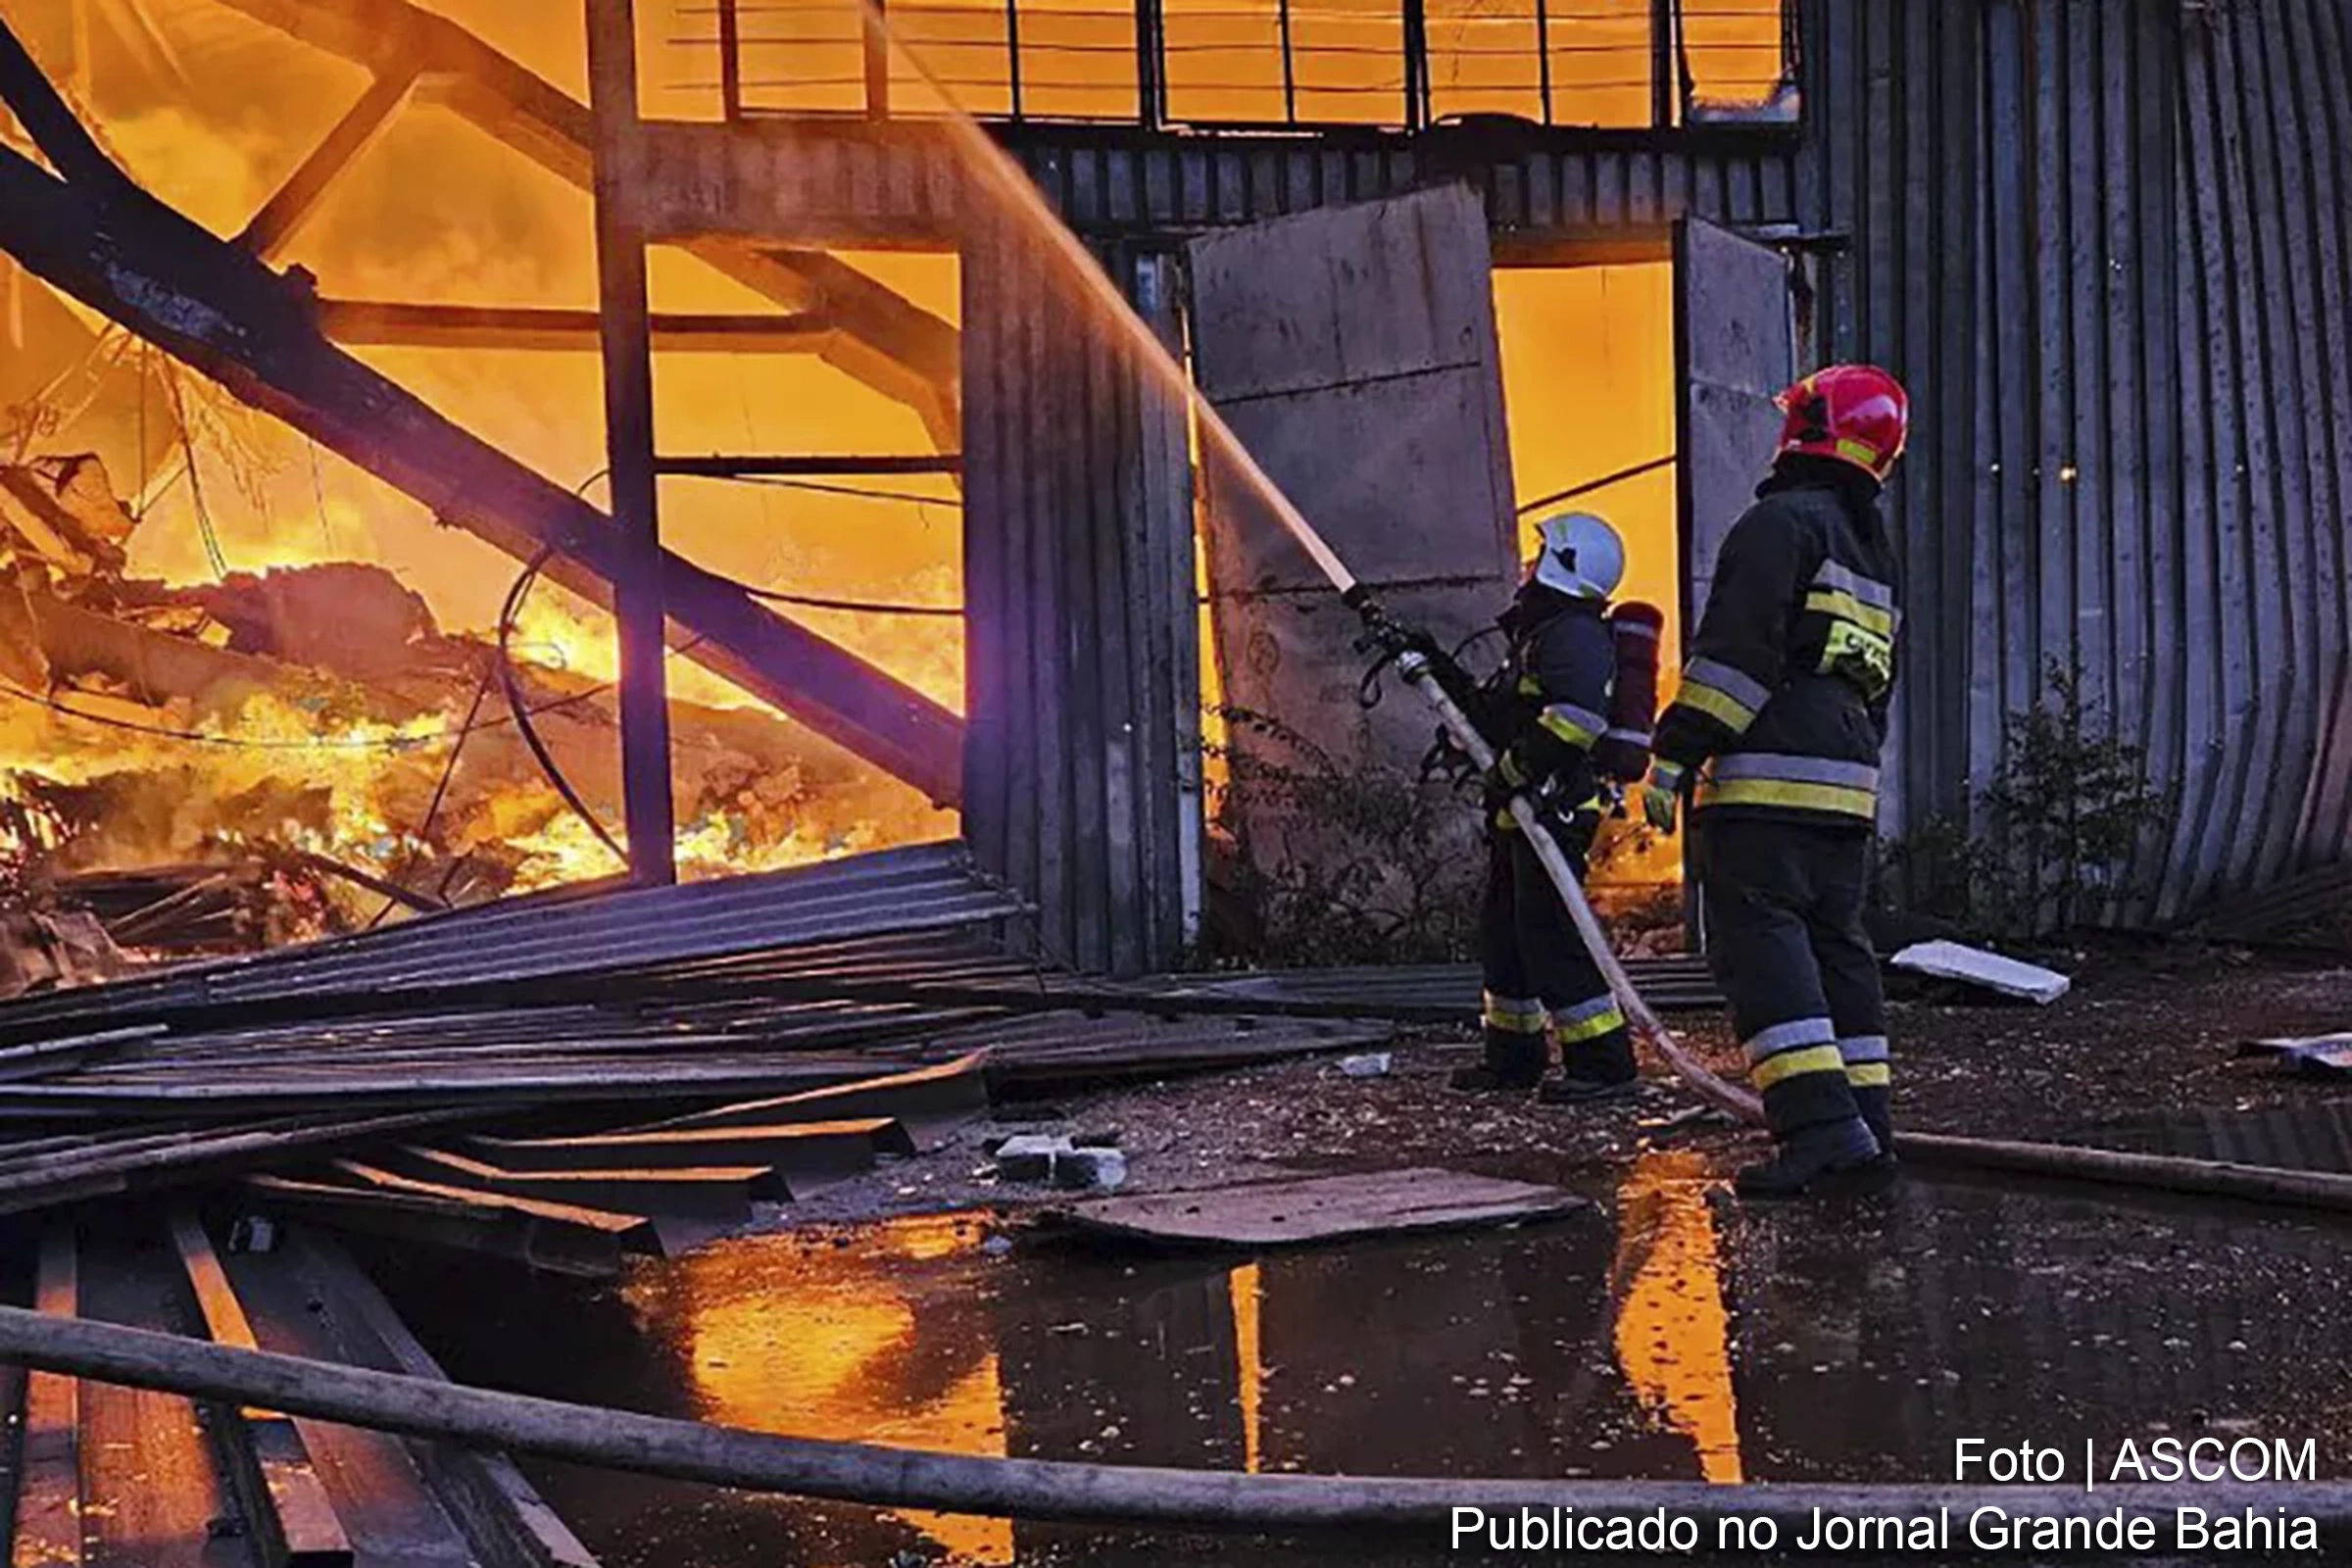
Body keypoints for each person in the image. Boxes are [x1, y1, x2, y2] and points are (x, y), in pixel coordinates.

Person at [1637, 364, 1909, 1199]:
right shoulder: (1870, 549)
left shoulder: (1778, 524)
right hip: (1844, 791)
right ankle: (1865, 1124)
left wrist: (1674, 753)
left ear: (1810, 427)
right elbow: (1876, 684)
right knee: (1837, 951)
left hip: (1766, 788)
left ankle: (1821, 1134)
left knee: (1764, 951)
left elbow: (1736, 661)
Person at [1454, 511, 1658, 1103]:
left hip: (1555, 808)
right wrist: (1432, 667)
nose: (1527, 565)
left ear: (1562, 567)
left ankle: (1603, 1064)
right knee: (1507, 934)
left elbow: (1577, 720)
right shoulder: (1541, 633)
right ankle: (1513, 1057)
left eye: (1539, 555)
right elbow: (1503, 715)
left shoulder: (1570, 633)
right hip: (1524, 810)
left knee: (1551, 934)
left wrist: (1515, 772)